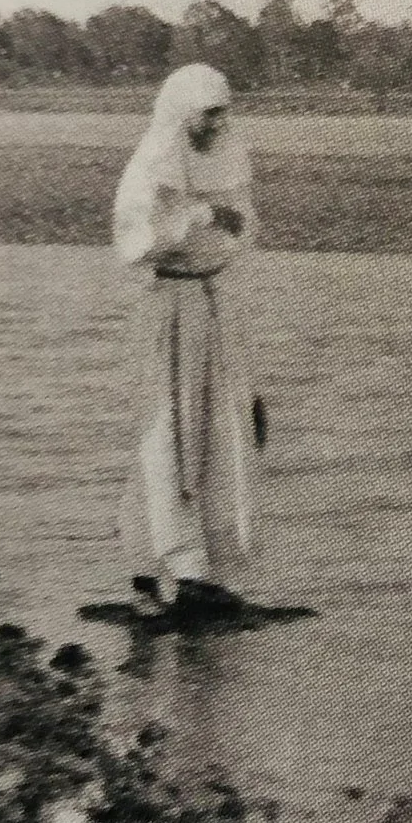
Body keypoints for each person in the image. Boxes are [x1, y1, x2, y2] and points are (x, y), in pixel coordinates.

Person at [114, 63, 263, 617]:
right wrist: (199, 214)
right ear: (182, 112)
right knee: (167, 431)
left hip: (211, 301)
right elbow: (136, 238)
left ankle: (195, 569)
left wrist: (217, 220)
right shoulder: (153, 162)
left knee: (223, 428)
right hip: (169, 306)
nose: (218, 123)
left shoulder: (225, 154)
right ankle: (167, 566)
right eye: (208, 112)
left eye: (225, 111)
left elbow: (243, 226)